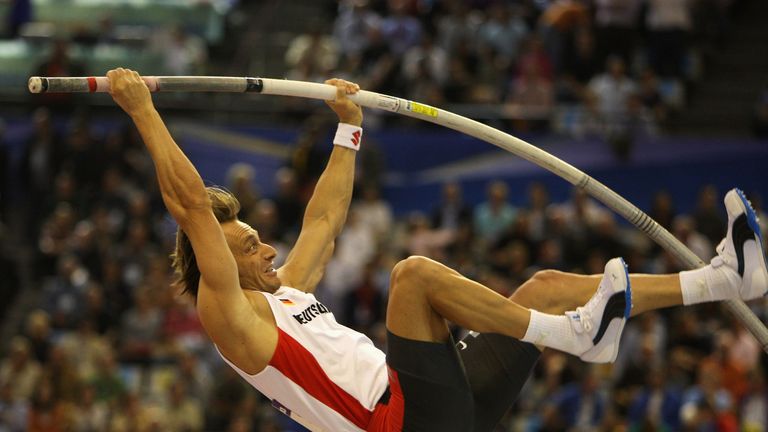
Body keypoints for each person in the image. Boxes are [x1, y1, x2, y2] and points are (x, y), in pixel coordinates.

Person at [107, 68, 768, 431]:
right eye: (250, 247)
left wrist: (349, 133)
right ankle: (575, 337)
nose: (269, 247)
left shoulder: (285, 296)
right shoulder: (232, 318)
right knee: (414, 277)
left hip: (437, 411)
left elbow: (327, 220)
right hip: (403, 422)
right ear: (218, 264)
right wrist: (142, 111)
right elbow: (192, 205)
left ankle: (723, 280)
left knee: (540, 285)